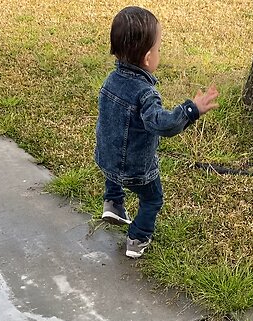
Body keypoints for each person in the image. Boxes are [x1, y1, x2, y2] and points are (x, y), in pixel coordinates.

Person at [94, 6, 219, 258]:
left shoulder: (110, 80)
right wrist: (191, 110)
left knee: (115, 170)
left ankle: (113, 202)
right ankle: (137, 237)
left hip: (106, 158)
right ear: (149, 58)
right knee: (152, 199)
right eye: (159, 49)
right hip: (136, 168)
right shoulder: (146, 93)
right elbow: (161, 124)